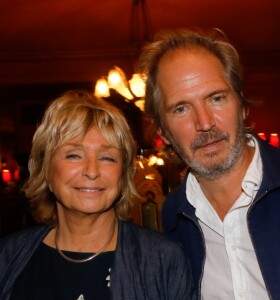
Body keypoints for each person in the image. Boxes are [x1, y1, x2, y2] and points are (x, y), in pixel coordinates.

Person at [138, 28, 280, 299]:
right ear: (163, 132)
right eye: (181, 108)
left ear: (242, 104)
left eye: (216, 98)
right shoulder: (173, 215)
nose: (204, 123)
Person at [0, 90, 196, 300]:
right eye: (74, 155)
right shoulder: (8, 257)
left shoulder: (163, 260)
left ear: (123, 174)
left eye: (107, 158)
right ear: (46, 168)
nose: (92, 171)